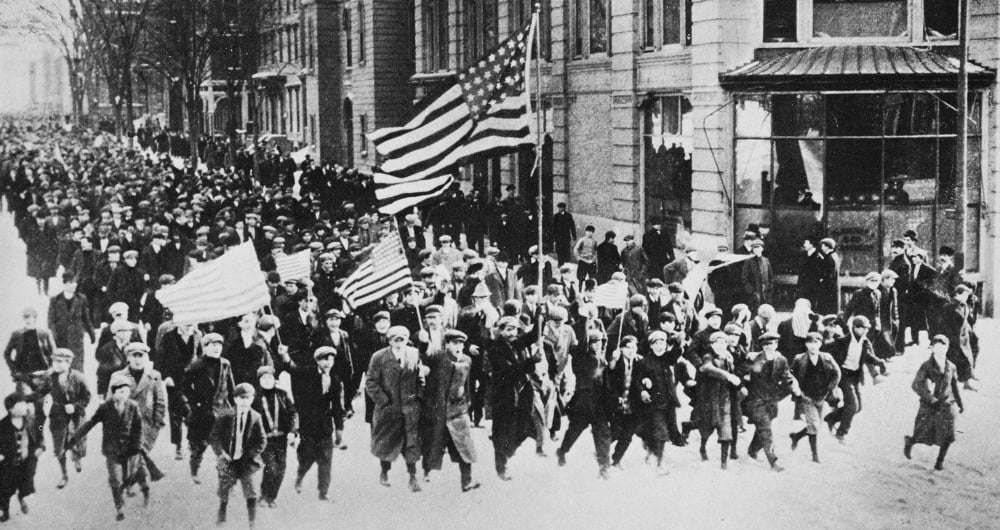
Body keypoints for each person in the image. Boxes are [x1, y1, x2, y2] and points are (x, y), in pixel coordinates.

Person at [67, 374, 147, 521]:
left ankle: (132, 488)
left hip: (129, 450)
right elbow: (90, 423)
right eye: (121, 391)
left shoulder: (133, 407)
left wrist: (137, 445)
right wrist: (73, 439)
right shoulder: (105, 408)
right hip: (111, 451)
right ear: (114, 392)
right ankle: (119, 507)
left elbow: (139, 428)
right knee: (115, 479)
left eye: (127, 392)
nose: (124, 395)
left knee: (127, 477)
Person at [419, 329, 480, 491]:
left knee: (465, 446)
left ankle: (467, 481)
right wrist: (424, 341)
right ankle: (426, 473)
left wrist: (468, 405)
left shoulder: (467, 360)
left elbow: (467, 385)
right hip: (438, 409)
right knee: (433, 443)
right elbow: (426, 354)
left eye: (461, 343)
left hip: (458, 410)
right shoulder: (439, 357)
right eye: (454, 343)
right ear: (447, 344)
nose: (458, 346)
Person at [366, 326, 426, 491]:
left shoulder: (414, 354)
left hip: (409, 408)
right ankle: (384, 472)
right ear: (390, 341)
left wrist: (417, 399)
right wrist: (384, 401)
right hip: (388, 409)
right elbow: (370, 382)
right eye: (395, 340)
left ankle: (413, 477)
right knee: (387, 441)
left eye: (402, 339)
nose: (399, 343)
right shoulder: (379, 357)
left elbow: (420, 378)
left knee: (411, 442)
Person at [284, 345, 343, 501]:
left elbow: (337, 406)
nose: (328, 363)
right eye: (324, 359)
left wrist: (339, 430)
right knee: (307, 457)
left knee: (326, 460)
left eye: (331, 359)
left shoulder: (335, 380)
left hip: (325, 427)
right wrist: (285, 357)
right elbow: (293, 369)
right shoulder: (307, 373)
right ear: (317, 360)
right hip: (307, 425)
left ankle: (323, 492)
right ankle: (299, 476)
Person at [488, 316, 543, 480]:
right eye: (509, 330)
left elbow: (533, 335)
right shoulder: (495, 349)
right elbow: (508, 373)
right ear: (501, 331)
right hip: (503, 396)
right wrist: (531, 361)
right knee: (501, 433)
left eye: (514, 329)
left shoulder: (516, 342)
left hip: (521, 393)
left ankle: (509, 450)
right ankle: (501, 467)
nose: (513, 333)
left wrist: (541, 315)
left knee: (524, 426)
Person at [556, 330, 613, 479]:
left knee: (602, 434)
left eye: (600, 341)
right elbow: (581, 346)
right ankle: (562, 451)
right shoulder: (581, 358)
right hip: (584, 402)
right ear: (588, 344)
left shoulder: (602, 358)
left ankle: (604, 466)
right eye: (595, 342)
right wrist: (587, 320)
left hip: (599, 402)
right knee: (575, 430)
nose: (598, 344)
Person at [904, 335, 964, 471]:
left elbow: (954, 386)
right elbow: (916, 384)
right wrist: (930, 399)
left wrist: (960, 403)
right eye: (937, 347)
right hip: (930, 405)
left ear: (947, 348)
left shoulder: (951, 366)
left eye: (943, 346)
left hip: (947, 404)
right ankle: (910, 441)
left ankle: (939, 462)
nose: (940, 349)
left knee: (950, 435)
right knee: (924, 434)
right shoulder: (926, 366)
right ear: (932, 348)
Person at [210, 383, 266, 527]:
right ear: (235, 399)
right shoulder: (225, 415)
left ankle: (252, 522)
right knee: (224, 487)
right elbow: (214, 436)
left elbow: (262, 440)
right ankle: (222, 515)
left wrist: (251, 455)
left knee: (251, 491)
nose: (245, 401)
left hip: (246, 462)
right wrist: (221, 453)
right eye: (241, 398)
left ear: (252, 399)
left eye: (248, 398)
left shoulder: (256, 417)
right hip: (227, 459)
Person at [183, 332, 236, 484]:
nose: (216, 348)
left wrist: (234, 407)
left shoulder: (225, 364)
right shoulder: (196, 365)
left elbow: (231, 387)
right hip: (202, 412)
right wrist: (195, 404)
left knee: (224, 448)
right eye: (212, 345)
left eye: (219, 345)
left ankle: (224, 478)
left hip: (223, 412)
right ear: (205, 347)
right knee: (199, 446)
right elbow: (186, 387)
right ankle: (194, 470)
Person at [34, 349, 91, 488]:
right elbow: (41, 393)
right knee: (59, 448)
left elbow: (86, 397)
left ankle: (77, 458)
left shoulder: (78, 377)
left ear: (69, 362)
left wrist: (75, 406)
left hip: (76, 417)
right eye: (54, 362)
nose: (56, 365)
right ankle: (64, 475)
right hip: (58, 415)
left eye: (60, 362)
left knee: (77, 442)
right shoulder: (49, 377)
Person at [111, 342, 168, 483]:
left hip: (147, 423)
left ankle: (137, 475)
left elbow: (159, 401)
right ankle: (143, 475)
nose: (137, 360)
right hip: (125, 423)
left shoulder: (154, 376)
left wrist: (157, 421)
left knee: (138, 450)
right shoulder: (118, 376)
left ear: (146, 357)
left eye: (141, 356)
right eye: (133, 356)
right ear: (128, 358)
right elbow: (110, 401)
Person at [744, 332, 800, 472]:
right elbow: (745, 375)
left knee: (763, 428)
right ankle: (773, 461)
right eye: (766, 344)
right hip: (755, 400)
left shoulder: (781, 360)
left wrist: (793, 386)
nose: (769, 347)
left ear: (776, 344)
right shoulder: (754, 358)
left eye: (772, 343)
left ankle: (752, 451)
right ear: (762, 346)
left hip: (772, 400)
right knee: (766, 430)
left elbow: (787, 376)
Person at [825, 316, 886, 442]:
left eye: (867, 328)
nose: (865, 331)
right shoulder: (843, 341)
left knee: (858, 408)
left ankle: (831, 418)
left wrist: (879, 362)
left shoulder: (864, 342)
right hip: (843, 375)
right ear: (855, 327)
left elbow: (867, 356)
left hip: (855, 376)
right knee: (852, 405)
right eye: (863, 328)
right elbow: (829, 352)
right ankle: (841, 433)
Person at [632, 330, 681, 475]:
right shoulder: (643, 362)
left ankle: (650, 452)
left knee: (667, 430)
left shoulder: (667, 358)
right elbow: (637, 380)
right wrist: (642, 389)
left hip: (669, 402)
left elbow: (677, 351)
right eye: (656, 343)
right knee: (660, 432)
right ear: (651, 346)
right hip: (653, 403)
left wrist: (678, 339)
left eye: (663, 343)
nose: (660, 346)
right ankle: (660, 464)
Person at [692, 331, 742, 470]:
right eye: (717, 343)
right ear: (712, 344)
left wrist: (737, 384)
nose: (721, 345)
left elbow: (734, 376)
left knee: (726, 430)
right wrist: (727, 376)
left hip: (725, 398)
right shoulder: (708, 357)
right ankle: (702, 447)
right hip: (710, 398)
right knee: (707, 428)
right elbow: (707, 368)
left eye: (724, 342)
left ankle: (723, 463)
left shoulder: (728, 357)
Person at [789, 332, 841, 464]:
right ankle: (815, 455)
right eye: (810, 343)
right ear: (806, 344)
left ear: (820, 344)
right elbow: (790, 375)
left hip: (821, 396)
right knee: (814, 425)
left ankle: (796, 436)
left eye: (816, 343)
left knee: (816, 425)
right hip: (806, 397)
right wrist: (797, 390)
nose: (813, 346)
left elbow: (837, 372)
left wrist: (830, 388)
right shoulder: (799, 359)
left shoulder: (827, 357)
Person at [153, 322, 201, 460]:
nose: (188, 325)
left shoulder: (197, 335)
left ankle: (192, 442)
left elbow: (200, 356)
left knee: (192, 411)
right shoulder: (169, 336)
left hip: (192, 380)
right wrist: (165, 376)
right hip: (173, 380)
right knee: (175, 414)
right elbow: (160, 358)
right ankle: (178, 445)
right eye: (186, 321)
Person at [252, 366, 298, 508]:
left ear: (274, 379)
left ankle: (272, 497)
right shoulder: (255, 398)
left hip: (281, 439)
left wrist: (292, 432)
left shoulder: (282, 395)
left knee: (281, 469)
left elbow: (293, 414)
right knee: (271, 467)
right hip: (265, 440)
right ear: (259, 381)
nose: (267, 381)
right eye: (263, 378)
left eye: (270, 378)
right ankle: (264, 495)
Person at [0, 393, 43, 523]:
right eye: (22, 404)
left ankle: (22, 498)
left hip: (27, 461)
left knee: (26, 484)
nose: (26, 406)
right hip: (8, 463)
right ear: (11, 409)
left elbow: (39, 433)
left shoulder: (31, 421)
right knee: (5, 488)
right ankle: (5, 511)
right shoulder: (3, 425)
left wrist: (41, 446)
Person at [47, 272, 95, 373]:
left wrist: (92, 333)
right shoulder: (55, 300)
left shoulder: (81, 299)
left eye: (75, 282)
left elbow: (86, 318)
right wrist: (54, 337)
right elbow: (51, 321)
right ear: (64, 284)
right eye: (71, 283)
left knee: (77, 367)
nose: (74, 285)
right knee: (62, 366)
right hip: (61, 339)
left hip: (76, 339)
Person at [607, 336, 641, 468]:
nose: (632, 350)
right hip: (618, 403)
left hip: (633, 404)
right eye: (628, 347)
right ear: (621, 349)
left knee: (627, 436)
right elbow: (609, 381)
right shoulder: (616, 362)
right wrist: (612, 361)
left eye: (634, 347)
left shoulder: (640, 361)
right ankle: (601, 449)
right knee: (615, 432)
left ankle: (616, 460)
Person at [3, 308, 56, 385]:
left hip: (43, 373)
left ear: (35, 318)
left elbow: (55, 353)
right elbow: (6, 354)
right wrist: (14, 371)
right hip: (23, 374)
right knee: (24, 396)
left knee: (44, 395)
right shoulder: (16, 334)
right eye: (25, 318)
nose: (27, 320)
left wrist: (51, 369)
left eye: (29, 317)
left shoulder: (45, 333)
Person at [96, 319, 136, 397]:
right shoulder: (106, 349)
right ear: (117, 332)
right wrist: (101, 391)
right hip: (113, 387)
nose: (130, 333)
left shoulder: (133, 347)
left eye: (130, 331)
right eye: (126, 331)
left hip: (130, 388)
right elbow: (102, 372)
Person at [739, 240, 773, 314]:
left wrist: (769, 290)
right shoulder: (748, 262)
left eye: (758, 247)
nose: (756, 249)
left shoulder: (766, 261)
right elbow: (744, 278)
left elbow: (770, 277)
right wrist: (751, 291)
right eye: (754, 248)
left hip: (765, 294)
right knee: (754, 313)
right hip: (754, 294)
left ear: (762, 249)